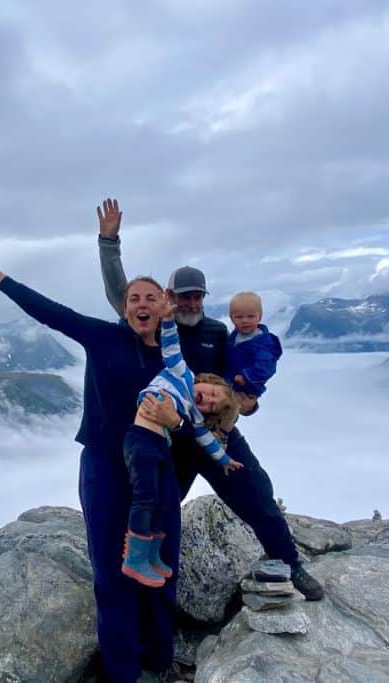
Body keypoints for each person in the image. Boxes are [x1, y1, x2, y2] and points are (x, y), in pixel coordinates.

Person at [0, 252, 185, 682]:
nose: (142, 304)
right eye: (134, 297)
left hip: (157, 469)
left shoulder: (176, 359)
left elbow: (195, 410)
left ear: (164, 306)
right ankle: (123, 672)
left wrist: (178, 421)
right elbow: (51, 313)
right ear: (124, 308)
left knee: (162, 564)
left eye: (151, 298)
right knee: (111, 573)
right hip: (105, 467)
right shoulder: (102, 336)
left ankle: (161, 661)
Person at [96, 197, 325, 601]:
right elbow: (122, 294)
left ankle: (290, 563)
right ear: (170, 296)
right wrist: (108, 243)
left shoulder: (218, 331)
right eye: (183, 296)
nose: (190, 303)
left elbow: (235, 379)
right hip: (170, 437)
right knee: (155, 510)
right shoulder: (154, 324)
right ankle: (139, 585)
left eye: (197, 296)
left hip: (214, 435)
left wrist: (248, 401)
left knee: (257, 493)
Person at [122, 299, 242, 588]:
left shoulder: (194, 417)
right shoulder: (181, 373)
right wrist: (166, 320)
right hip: (141, 439)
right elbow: (171, 345)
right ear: (205, 380)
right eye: (212, 391)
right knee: (146, 495)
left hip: (158, 444)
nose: (209, 399)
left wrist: (225, 460)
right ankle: (134, 558)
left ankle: (151, 555)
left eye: (213, 405)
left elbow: (209, 443)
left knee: (163, 498)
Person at [226, 291, 283, 412]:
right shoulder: (234, 337)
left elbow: (267, 367)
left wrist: (246, 376)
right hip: (231, 382)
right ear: (231, 318)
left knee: (231, 411)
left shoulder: (264, 342)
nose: (245, 320)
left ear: (260, 317)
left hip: (248, 386)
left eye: (250, 316)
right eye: (239, 317)